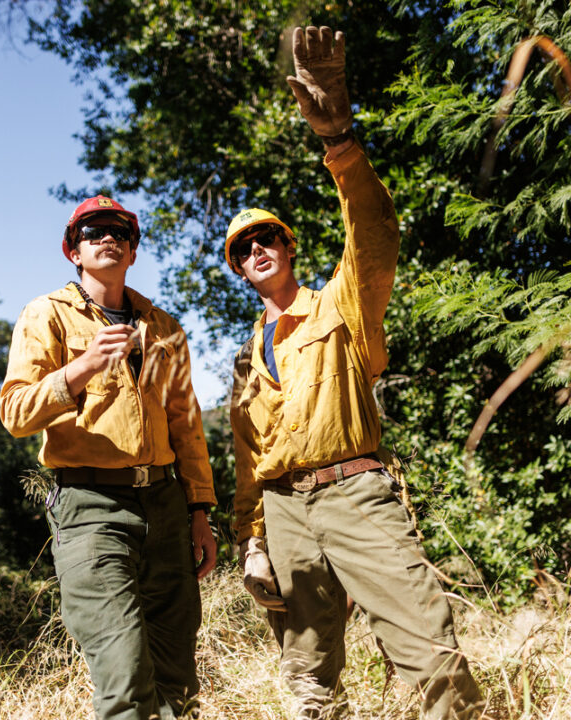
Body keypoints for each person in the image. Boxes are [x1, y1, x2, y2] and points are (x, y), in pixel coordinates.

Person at [226, 25, 483, 720]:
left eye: (267, 236)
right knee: (307, 678)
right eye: (242, 247)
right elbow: (249, 462)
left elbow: (375, 234)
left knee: (431, 649)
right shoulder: (248, 360)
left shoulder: (343, 301)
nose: (257, 248)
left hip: (353, 491)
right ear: (240, 269)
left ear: (288, 245)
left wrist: (337, 139)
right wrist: (252, 539)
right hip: (283, 515)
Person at [0, 195, 217, 720]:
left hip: (166, 504)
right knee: (124, 679)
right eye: (93, 230)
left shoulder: (162, 327)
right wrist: (84, 367)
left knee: (178, 679)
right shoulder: (46, 315)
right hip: (90, 504)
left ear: (133, 252)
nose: (107, 237)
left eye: (119, 230)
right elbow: (15, 412)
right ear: (73, 250)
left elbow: (187, 426)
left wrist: (200, 513)